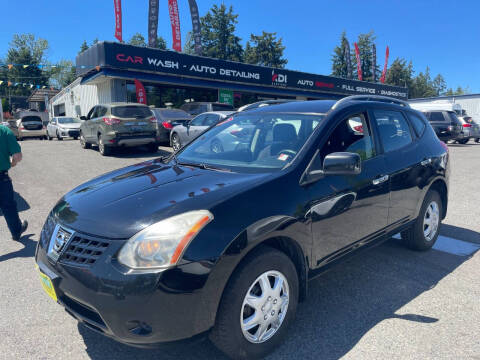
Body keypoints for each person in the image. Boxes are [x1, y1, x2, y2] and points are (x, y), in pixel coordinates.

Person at [0, 124, 28, 241]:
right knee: (8, 206)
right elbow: (17, 156)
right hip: (2, 177)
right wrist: (12, 163)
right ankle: (16, 232)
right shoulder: (5, 131)